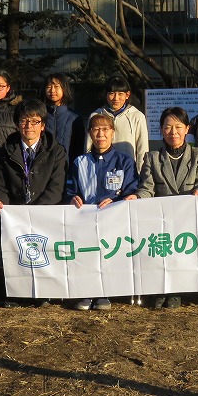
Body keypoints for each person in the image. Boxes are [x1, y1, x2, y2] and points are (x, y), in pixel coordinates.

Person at [128, 107, 198, 309]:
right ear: (161, 130)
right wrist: (137, 196)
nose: (173, 132)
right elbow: (147, 188)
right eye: (168, 127)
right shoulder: (152, 158)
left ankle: (175, 290)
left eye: (178, 127)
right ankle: (160, 289)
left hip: (189, 217)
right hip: (161, 219)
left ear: (187, 129)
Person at [0, 99, 68, 307]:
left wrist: (34, 212)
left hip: (45, 211)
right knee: (12, 245)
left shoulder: (56, 151)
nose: (29, 126)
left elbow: (56, 187)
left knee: (43, 247)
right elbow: (1, 187)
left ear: (43, 125)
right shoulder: (5, 151)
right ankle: (15, 292)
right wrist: (0, 201)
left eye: (35, 122)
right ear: (17, 124)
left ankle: (43, 291)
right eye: (24, 121)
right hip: (15, 213)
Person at [66, 112, 139, 311]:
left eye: (105, 129)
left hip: (113, 221)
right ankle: (86, 293)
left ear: (113, 133)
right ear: (90, 133)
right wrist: (73, 198)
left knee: (108, 254)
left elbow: (132, 190)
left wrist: (117, 200)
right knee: (87, 254)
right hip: (85, 221)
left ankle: (105, 293)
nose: (101, 134)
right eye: (96, 129)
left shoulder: (124, 161)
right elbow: (70, 190)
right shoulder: (79, 162)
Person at [86, 75, 149, 172]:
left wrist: (141, 174)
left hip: (127, 171)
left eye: (120, 94)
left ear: (127, 95)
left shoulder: (137, 116)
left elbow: (142, 149)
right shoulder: (96, 115)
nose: (116, 98)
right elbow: (88, 146)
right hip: (100, 170)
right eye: (112, 93)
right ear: (106, 94)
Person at [43, 72, 85, 163]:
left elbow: (79, 147)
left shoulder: (74, 117)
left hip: (66, 167)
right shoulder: (40, 115)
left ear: (64, 89)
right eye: (49, 87)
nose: (52, 91)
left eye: (56, 87)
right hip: (43, 167)